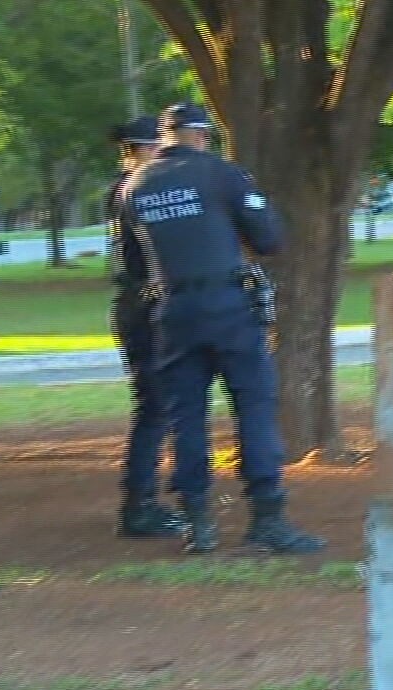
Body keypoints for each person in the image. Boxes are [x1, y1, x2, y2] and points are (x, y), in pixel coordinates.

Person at [115, 102, 324, 555]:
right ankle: (267, 518)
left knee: (186, 416)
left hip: (172, 311)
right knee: (253, 406)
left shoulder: (133, 187)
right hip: (228, 307)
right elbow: (269, 239)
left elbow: (133, 264)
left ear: (165, 137)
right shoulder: (221, 174)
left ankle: (198, 523)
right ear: (201, 136)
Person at [108, 116, 184, 539]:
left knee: (159, 406)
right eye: (155, 148)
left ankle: (147, 499)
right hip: (143, 305)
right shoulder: (133, 190)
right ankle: (139, 506)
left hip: (139, 303)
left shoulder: (129, 189)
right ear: (135, 151)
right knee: (155, 406)